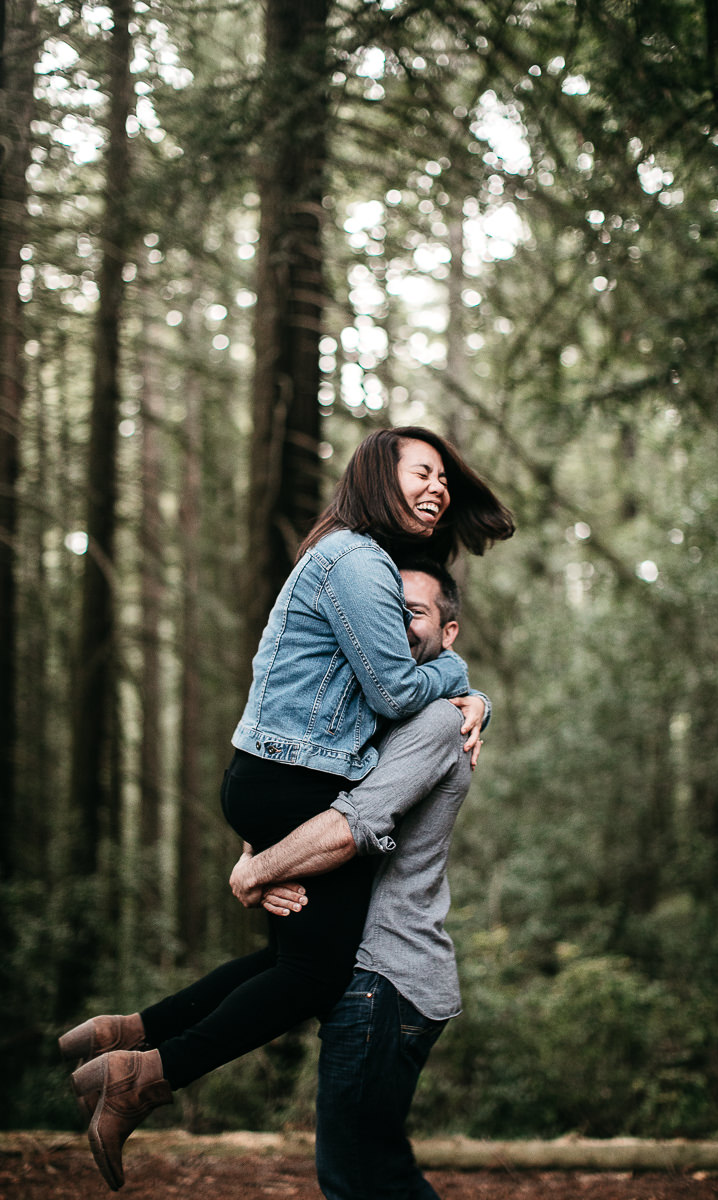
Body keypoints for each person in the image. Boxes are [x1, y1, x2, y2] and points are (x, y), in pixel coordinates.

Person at [59, 427, 514, 1192]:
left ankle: (134, 1036)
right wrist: (467, 681)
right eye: (422, 473)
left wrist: (261, 853)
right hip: (295, 781)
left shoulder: (346, 558)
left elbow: (385, 707)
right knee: (315, 973)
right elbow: (400, 691)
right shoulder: (357, 562)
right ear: (377, 474)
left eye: (444, 478)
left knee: (294, 961)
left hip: (280, 778)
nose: (438, 488)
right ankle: (145, 1077)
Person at [230, 560, 477, 1200]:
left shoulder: (432, 721)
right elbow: (303, 792)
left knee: (358, 1178)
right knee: (373, 1171)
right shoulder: (378, 717)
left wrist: (258, 870)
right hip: (369, 974)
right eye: (389, 612)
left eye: (415, 613)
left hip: (387, 977)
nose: (398, 623)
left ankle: (143, 1065)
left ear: (449, 633)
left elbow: (351, 827)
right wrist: (256, 850)